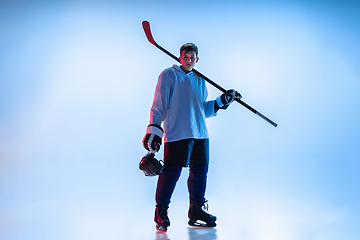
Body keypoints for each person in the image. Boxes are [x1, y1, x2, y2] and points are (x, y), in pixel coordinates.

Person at [142, 43, 241, 231]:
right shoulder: (168, 75)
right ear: (180, 57)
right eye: (185, 57)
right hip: (178, 133)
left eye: (192, 58)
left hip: (200, 134)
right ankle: (160, 211)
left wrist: (222, 101)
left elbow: (202, 109)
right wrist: (154, 129)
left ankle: (196, 209)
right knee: (171, 174)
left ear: (197, 59)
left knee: (200, 173)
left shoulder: (199, 79)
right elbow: (158, 105)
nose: (189, 61)